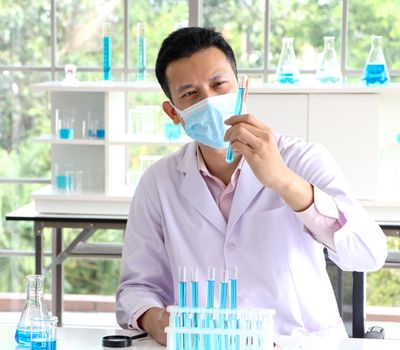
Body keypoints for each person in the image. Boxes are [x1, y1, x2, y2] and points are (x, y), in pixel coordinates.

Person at [116, 27, 387, 345]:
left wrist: (283, 180)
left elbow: (369, 255)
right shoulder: (158, 182)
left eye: (219, 84)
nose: (209, 100)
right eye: (190, 94)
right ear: (173, 112)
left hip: (298, 342)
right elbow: (136, 287)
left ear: (243, 88)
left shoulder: (303, 159)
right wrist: (155, 319)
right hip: (208, 344)